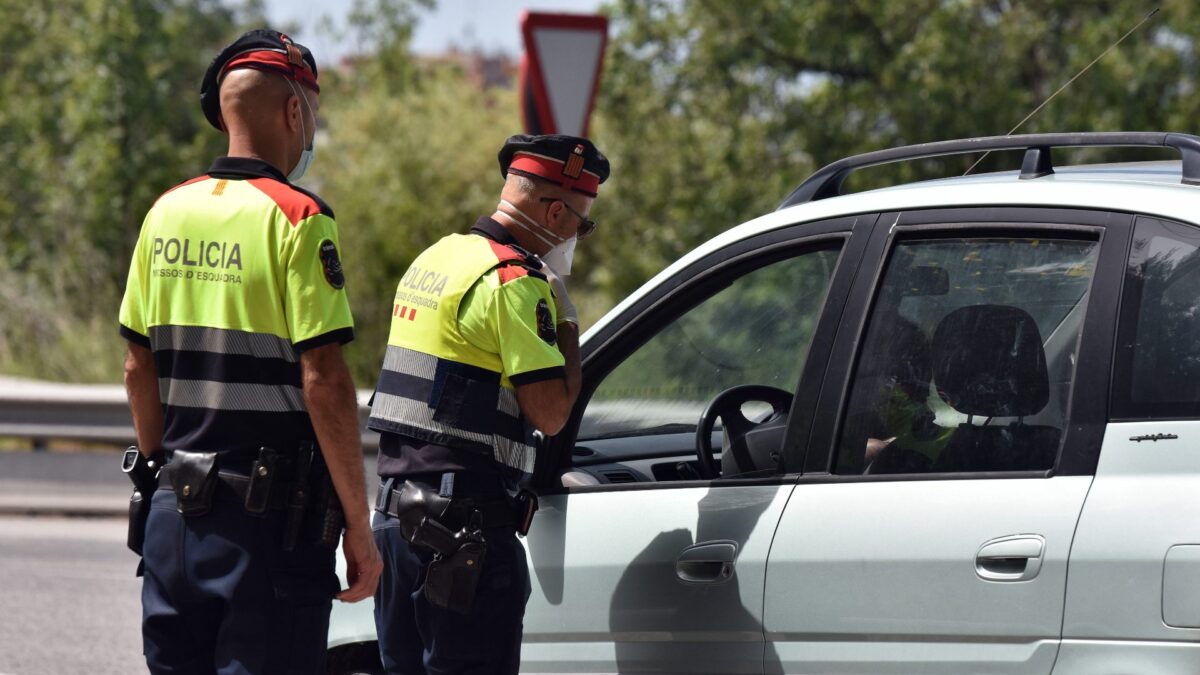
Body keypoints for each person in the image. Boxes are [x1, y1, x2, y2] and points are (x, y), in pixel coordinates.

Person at [118, 29, 381, 674]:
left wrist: (158, 476)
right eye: (312, 115)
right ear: (295, 110)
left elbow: (137, 365)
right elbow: (323, 379)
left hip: (173, 518)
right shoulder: (297, 217)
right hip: (267, 532)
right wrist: (358, 523)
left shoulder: (165, 213)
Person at [367, 134, 609, 674]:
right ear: (553, 210)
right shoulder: (516, 282)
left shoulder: (436, 257)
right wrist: (566, 323)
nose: (577, 236)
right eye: (581, 222)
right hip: (463, 535)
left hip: (395, 523)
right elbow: (550, 413)